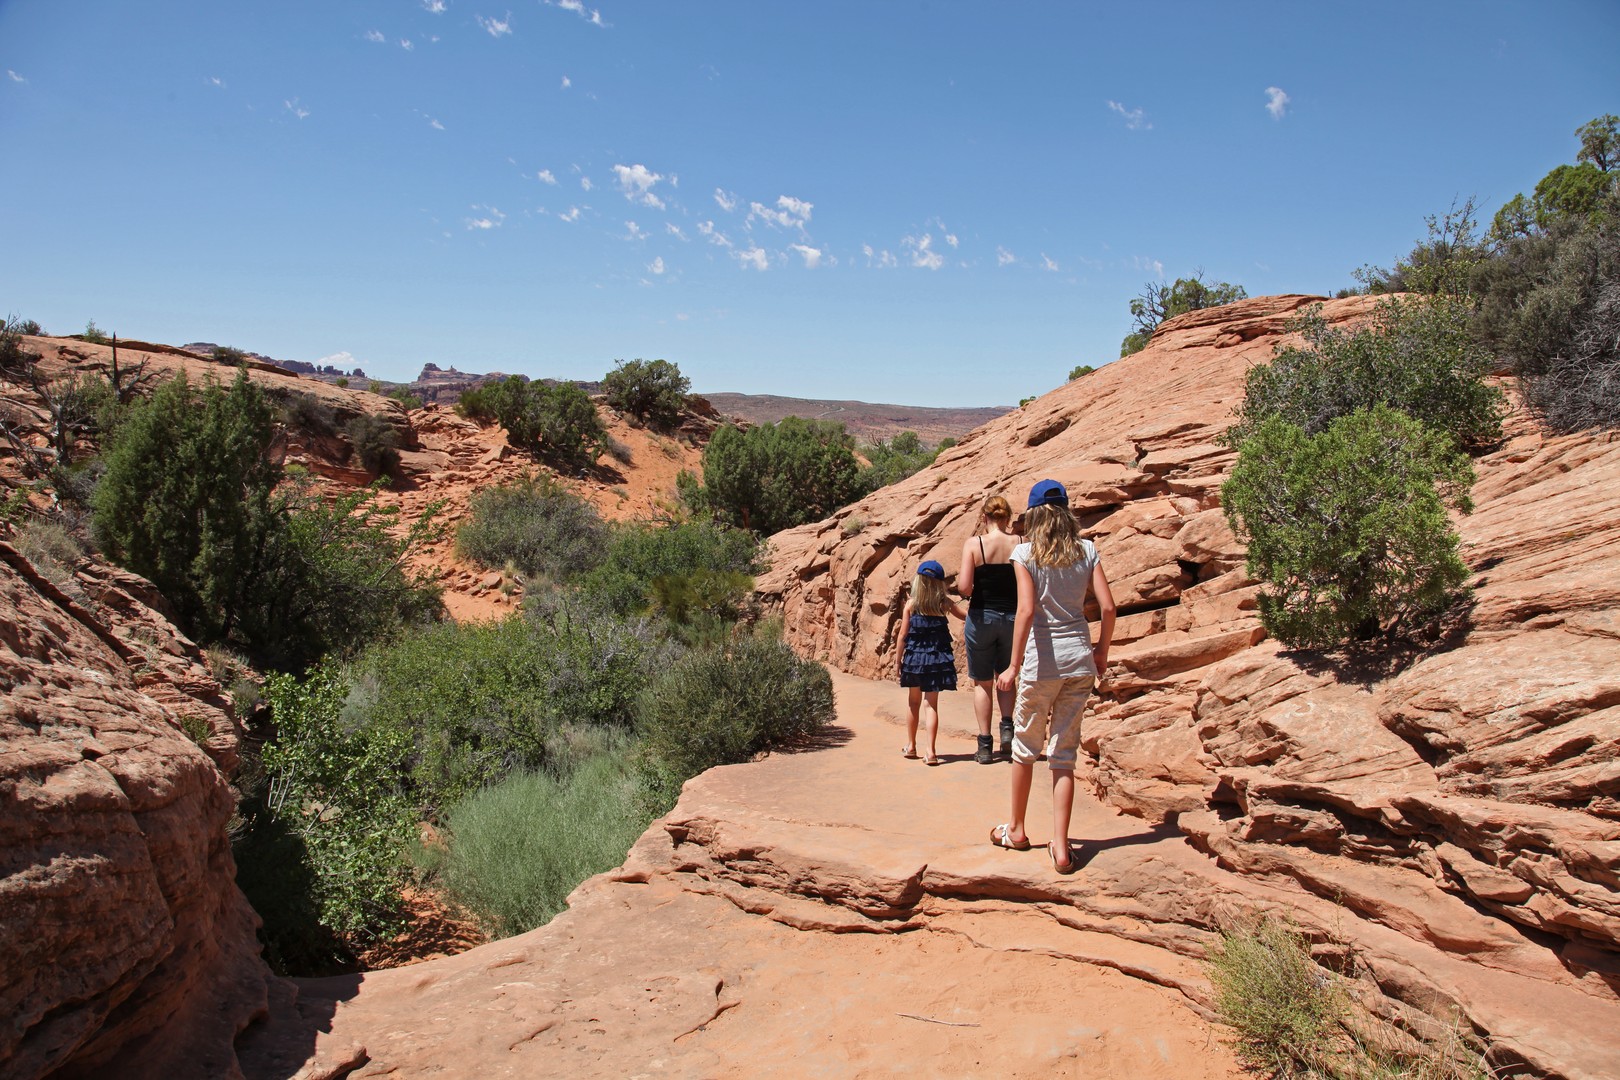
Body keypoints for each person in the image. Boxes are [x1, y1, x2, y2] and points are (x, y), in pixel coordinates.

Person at [987, 480, 1116, 874]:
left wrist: (1011, 666)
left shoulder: (1026, 553)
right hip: (1079, 661)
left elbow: (1025, 611)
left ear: (1035, 514)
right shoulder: (1087, 550)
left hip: (1041, 662)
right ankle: (1061, 848)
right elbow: (1108, 608)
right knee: (1064, 755)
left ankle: (1018, 829)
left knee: (1025, 749)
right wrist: (1101, 652)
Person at [957, 494, 1020, 764]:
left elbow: (963, 587)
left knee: (983, 683)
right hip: (1013, 618)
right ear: (1007, 517)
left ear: (985, 518)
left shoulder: (975, 544)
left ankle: (984, 746)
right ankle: (1007, 728)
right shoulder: (1020, 542)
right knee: (1007, 677)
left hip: (982, 617)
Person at [897, 559, 966, 767]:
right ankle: (931, 752)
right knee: (931, 705)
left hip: (915, 659)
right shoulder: (944, 603)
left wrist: (897, 660)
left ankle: (911, 746)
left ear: (918, 581)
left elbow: (902, 635)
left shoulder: (911, 604)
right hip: (936, 659)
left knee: (913, 702)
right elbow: (966, 616)